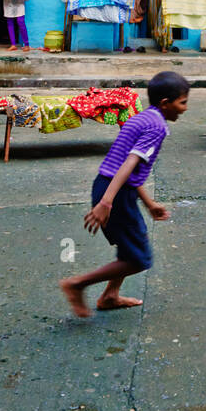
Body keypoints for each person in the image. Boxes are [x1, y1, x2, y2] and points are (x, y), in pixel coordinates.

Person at [60, 71, 188, 318]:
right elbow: (128, 163)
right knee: (139, 259)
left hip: (109, 186)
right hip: (115, 194)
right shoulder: (157, 127)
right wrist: (106, 203)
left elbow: (128, 169)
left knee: (128, 245)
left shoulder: (140, 118)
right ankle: (77, 284)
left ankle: (110, 296)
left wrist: (149, 203)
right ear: (165, 103)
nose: (184, 108)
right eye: (182, 102)